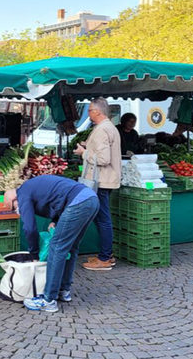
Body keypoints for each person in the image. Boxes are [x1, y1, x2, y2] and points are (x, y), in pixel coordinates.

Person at [3, 175, 100, 312]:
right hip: (91, 199)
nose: (16, 211)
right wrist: (55, 220)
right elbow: (57, 197)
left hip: (78, 202)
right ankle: (63, 290)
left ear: (14, 199)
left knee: (57, 247)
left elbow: (29, 228)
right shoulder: (31, 188)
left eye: (13, 208)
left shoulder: (22, 193)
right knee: (71, 247)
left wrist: (34, 253)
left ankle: (48, 299)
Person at [74, 98, 121, 271]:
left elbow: (103, 159)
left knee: (103, 219)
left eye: (90, 110)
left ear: (98, 112)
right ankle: (106, 255)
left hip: (100, 180)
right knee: (103, 218)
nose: (88, 113)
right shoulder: (109, 127)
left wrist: (83, 152)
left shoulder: (102, 130)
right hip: (105, 179)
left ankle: (105, 258)